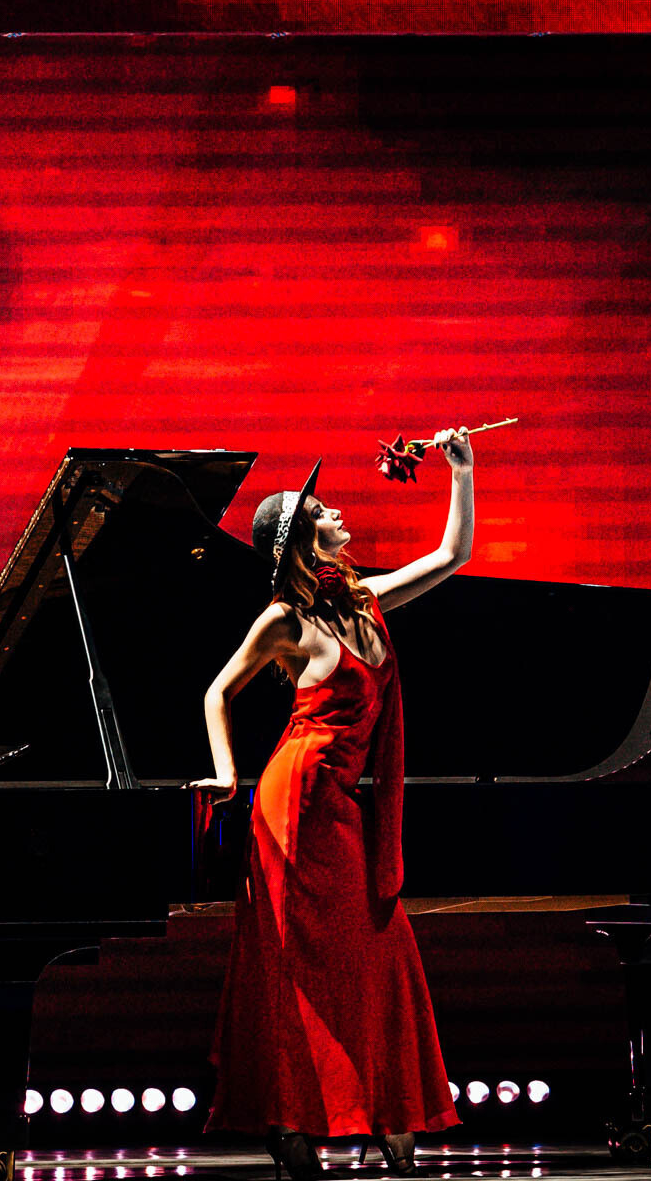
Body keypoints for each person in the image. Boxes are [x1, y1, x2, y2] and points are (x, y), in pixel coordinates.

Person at [192, 430, 475, 1178]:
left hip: (340, 806)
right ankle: (291, 1117)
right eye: (322, 510)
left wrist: (461, 473)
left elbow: (451, 557)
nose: (338, 512)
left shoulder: (366, 602)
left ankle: (384, 1107)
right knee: (294, 963)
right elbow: (218, 691)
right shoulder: (283, 621)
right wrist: (226, 773)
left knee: (378, 948)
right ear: (299, 542)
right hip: (291, 808)